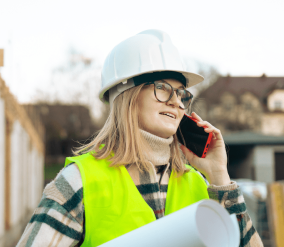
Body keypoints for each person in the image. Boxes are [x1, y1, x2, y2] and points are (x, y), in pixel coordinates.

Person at [16, 30, 263, 247]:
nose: (177, 102)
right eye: (163, 88)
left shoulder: (202, 185)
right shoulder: (79, 183)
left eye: (181, 94)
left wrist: (220, 176)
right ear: (127, 95)